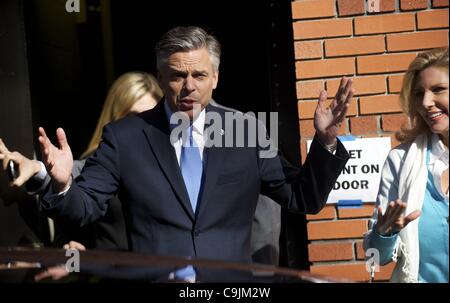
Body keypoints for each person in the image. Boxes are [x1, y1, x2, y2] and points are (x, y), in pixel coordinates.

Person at [38, 26, 353, 281]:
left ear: (215, 78)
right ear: (161, 78)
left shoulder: (247, 131)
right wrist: (64, 184)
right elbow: (85, 207)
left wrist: (325, 143)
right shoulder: (125, 137)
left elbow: (302, 198)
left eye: (199, 75)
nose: (189, 86)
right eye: (177, 76)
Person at [0, 71, 163, 250]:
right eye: (132, 117)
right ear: (114, 118)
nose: (141, 126)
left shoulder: (177, 159)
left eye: (149, 117)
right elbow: (75, 176)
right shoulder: (103, 162)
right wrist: (36, 168)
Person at [363, 47, 449, 283]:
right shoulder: (400, 161)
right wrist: (384, 233)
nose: (426, 102)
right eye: (419, 93)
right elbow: (373, 260)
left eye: (438, 90)